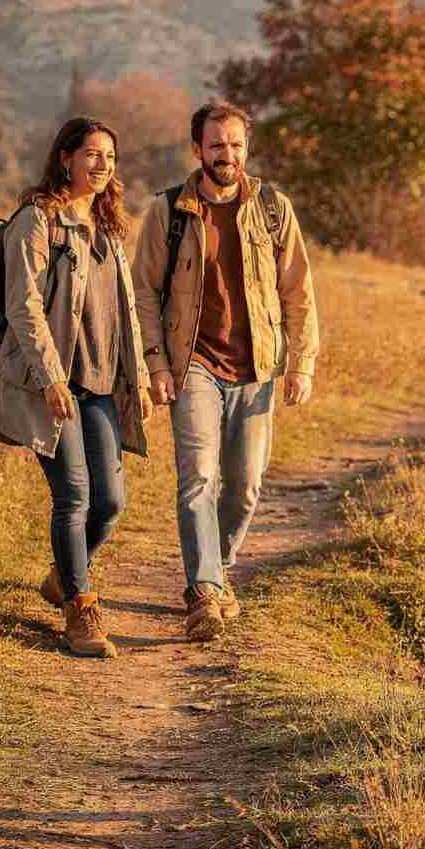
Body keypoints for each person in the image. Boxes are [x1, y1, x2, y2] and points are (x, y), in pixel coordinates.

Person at [132, 100, 319, 641]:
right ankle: (204, 591)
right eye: (216, 145)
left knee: (245, 487)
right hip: (193, 364)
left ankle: (219, 568)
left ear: (246, 147)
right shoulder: (168, 211)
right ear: (198, 149)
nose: (227, 154)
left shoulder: (273, 209)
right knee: (198, 477)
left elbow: (298, 291)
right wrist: (155, 363)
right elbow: (143, 293)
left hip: (257, 367)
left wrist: (301, 363)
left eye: (235, 144)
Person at [0, 116, 152, 659]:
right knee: (74, 495)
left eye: (110, 156)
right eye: (92, 154)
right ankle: (79, 607)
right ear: (66, 158)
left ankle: (62, 574)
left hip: (102, 384)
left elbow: (126, 311)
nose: (102, 165)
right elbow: (23, 306)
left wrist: (139, 379)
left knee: (111, 501)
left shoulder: (108, 225)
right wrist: (51, 377)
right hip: (53, 384)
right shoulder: (37, 220)